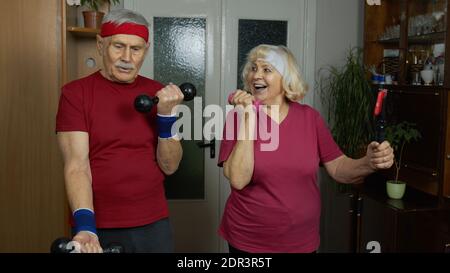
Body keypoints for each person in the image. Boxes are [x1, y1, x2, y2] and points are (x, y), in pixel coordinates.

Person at [218, 44, 394, 253]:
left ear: (286, 79)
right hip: (249, 241)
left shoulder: (310, 118)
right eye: (253, 68)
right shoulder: (237, 118)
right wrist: (248, 117)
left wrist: (369, 162)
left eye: (267, 69)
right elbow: (238, 179)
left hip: (301, 241)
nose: (256, 75)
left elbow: (338, 168)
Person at [56, 9, 184, 253]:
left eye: (136, 49)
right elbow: (76, 165)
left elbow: (170, 166)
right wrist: (86, 226)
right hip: (97, 224)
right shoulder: (75, 94)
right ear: (101, 45)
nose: (127, 57)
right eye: (118, 46)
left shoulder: (158, 94)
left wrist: (166, 116)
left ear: (145, 51)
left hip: (154, 222)